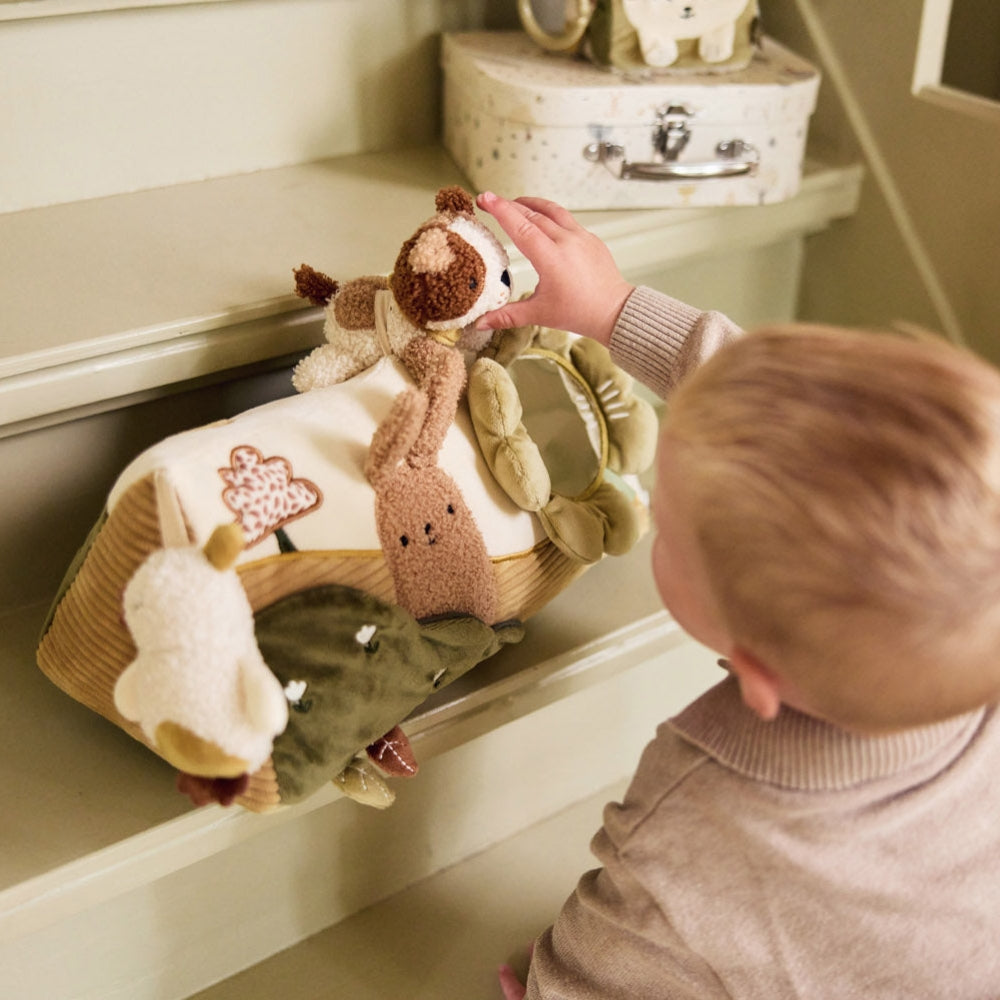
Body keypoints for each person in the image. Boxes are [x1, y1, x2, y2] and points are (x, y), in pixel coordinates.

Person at [472, 191, 1000, 998]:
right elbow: (789, 424)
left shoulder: (697, 821)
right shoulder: (972, 616)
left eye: (669, 523)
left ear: (755, 672)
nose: (654, 496)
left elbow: (606, 959)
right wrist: (614, 309)